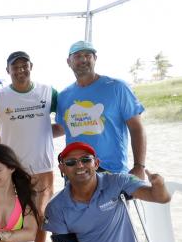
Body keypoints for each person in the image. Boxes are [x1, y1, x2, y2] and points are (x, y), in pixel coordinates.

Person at [0, 51, 63, 242]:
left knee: (41, 217)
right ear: (7, 70)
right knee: (11, 217)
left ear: (31, 66)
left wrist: (45, 134)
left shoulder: (48, 92)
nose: (20, 70)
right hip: (12, 169)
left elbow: (67, 121)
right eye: (15, 67)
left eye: (24, 66)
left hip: (43, 167)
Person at [57, 41, 147, 179]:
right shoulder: (64, 96)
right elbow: (63, 128)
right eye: (77, 56)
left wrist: (139, 166)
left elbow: (136, 128)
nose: (83, 59)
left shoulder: (117, 87)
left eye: (88, 55)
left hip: (112, 170)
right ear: (69, 61)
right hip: (76, 171)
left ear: (95, 59)